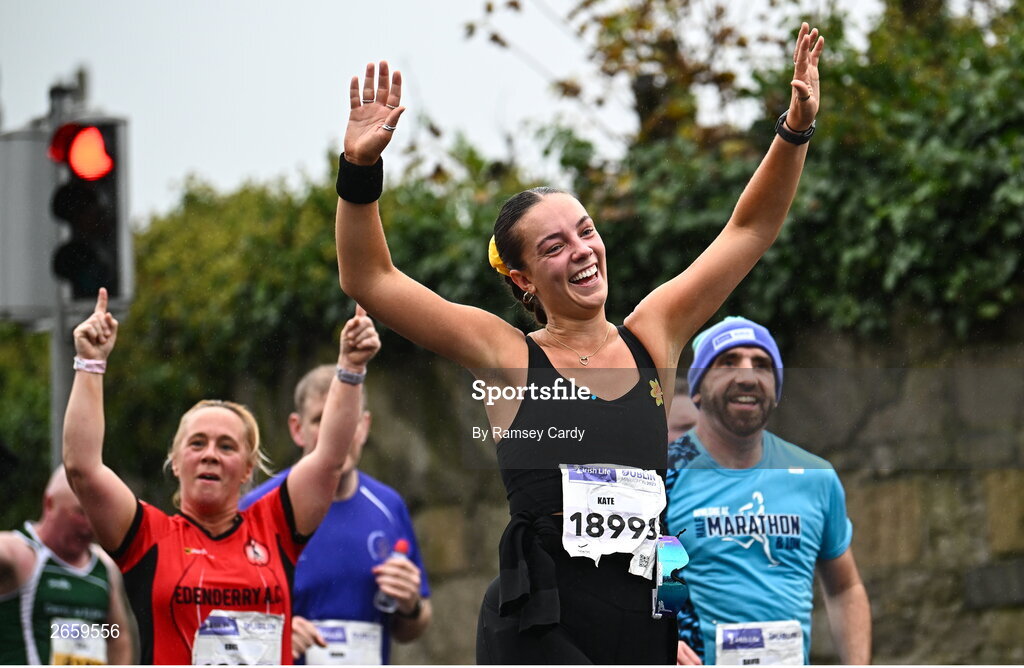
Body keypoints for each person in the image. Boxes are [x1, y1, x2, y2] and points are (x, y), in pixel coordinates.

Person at [333, 22, 824, 665]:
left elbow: (750, 228)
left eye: (585, 230)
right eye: (553, 246)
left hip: (639, 633)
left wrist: (794, 131)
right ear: (521, 278)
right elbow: (369, 276)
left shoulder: (654, 335)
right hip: (540, 633)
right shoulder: (509, 356)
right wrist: (360, 168)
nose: (582, 251)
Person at [62, 289, 375, 664]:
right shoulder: (148, 536)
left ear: (247, 469)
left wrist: (351, 368)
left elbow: (329, 458)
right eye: (197, 443)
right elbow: (82, 468)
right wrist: (90, 363)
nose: (210, 454)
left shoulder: (275, 525)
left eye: (226, 446)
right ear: (176, 462)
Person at [666, 316, 871, 665]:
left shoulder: (815, 476)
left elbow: (845, 587)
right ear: (697, 389)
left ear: (775, 391)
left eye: (761, 365)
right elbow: (618, 586)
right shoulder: (659, 475)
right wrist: (656, 639)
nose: (747, 376)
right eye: (728, 362)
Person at [240, 346, 432, 665]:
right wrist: (273, 636)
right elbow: (221, 620)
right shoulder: (256, 508)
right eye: (321, 419)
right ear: (297, 429)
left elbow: (412, 627)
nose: (338, 433)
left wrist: (410, 605)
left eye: (348, 420)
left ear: (365, 426)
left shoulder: (388, 505)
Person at [0, 467, 134, 665]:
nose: (89, 525)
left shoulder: (104, 566)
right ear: (49, 504)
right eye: (80, 512)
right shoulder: (19, 552)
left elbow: (116, 635)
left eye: (96, 514)